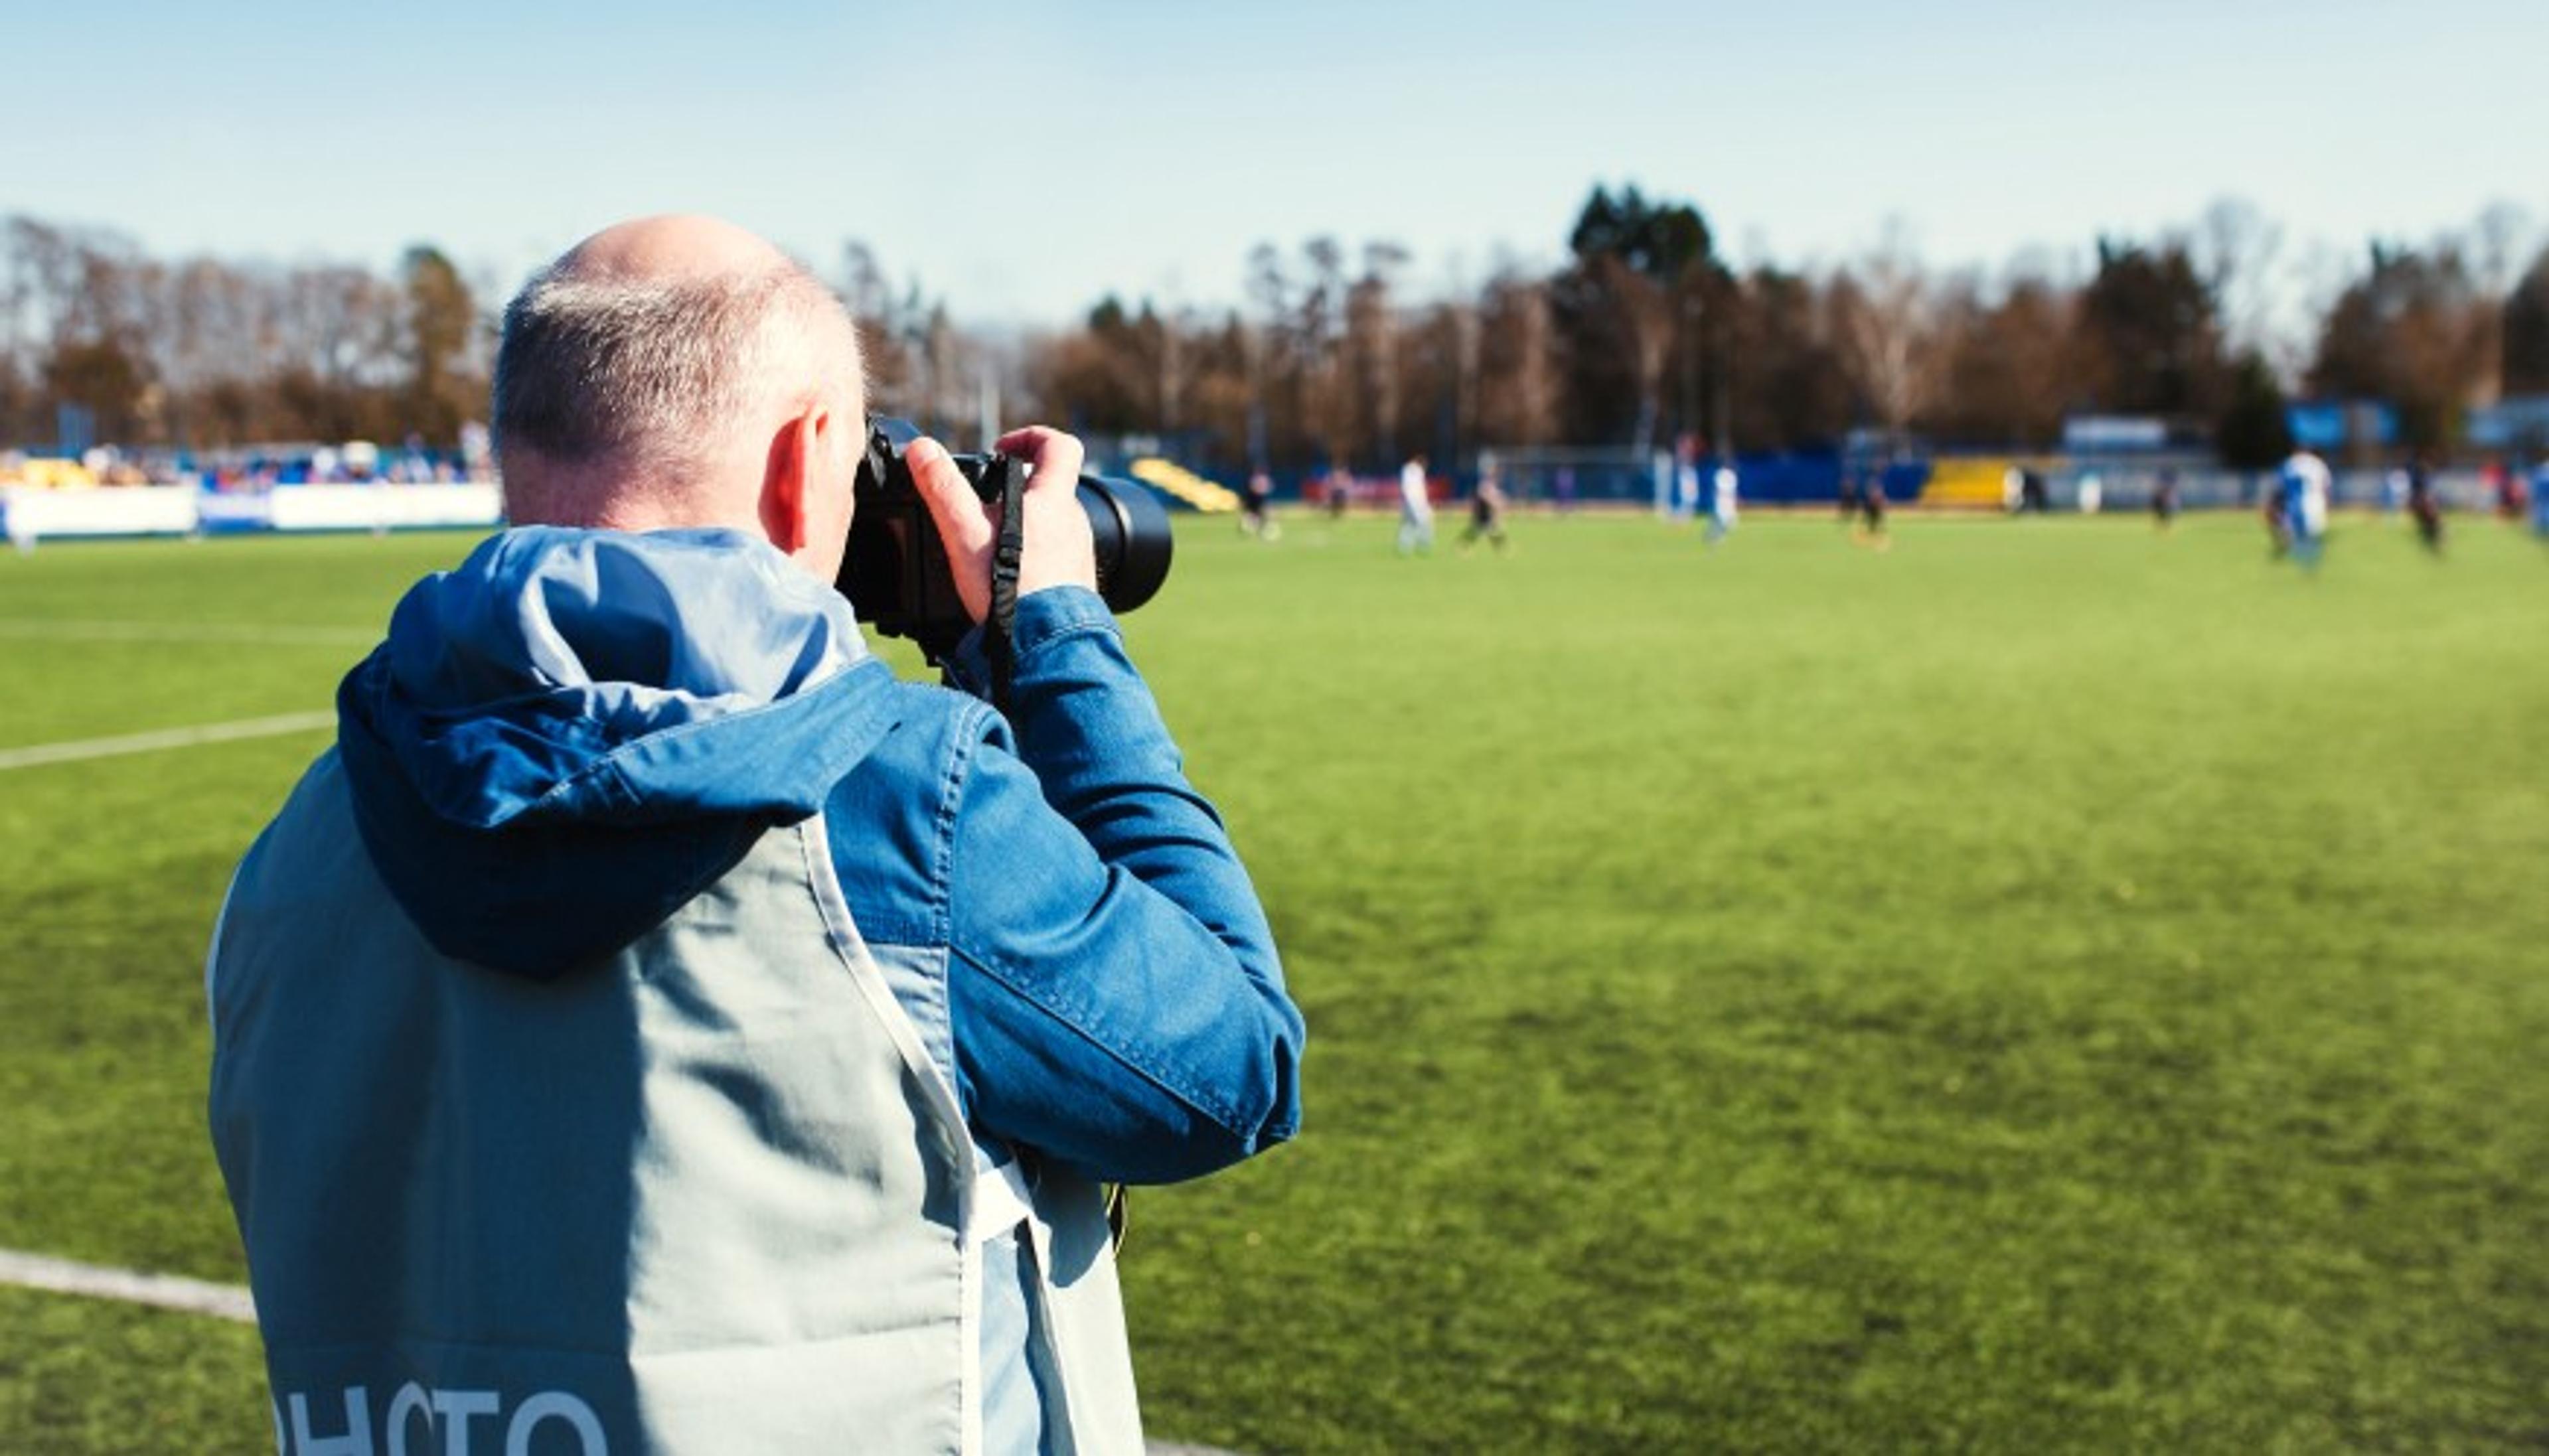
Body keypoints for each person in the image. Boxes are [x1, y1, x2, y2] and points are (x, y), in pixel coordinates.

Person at [205, 216, 1304, 1456]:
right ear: (803, 460)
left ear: (517, 451)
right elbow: (1233, 1061)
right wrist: (1051, 634)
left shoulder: (303, 837)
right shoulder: (901, 804)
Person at [2278, 444, 2332, 568]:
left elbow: (2282, 484)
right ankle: (2309, 560)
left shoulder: (2292, 463)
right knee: (2311, 533)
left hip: (2297, 501)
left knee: (2296, 531)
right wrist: (2327, 504)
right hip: (2316, 501)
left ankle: (2301, 558)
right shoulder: (2318, 464)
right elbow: (2327, 486)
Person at [1459, 459, 1509, 553]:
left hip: (1486, 511)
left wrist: (1499, 500)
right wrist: (1493, 502)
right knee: (1481, 530)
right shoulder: (1486, 483)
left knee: (1491, 530)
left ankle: (1501, 548)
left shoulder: (1491, 484)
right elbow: (1483, 495)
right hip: (1482, 511)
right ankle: (1462, 545)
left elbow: (1494, 495)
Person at [1397, 451, 1434, 554]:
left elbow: (1406, 487)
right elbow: (1419, 489)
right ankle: (1424, 545)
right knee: (1423, 523)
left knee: (1408, 525)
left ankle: (1404, 547)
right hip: (1416, 502)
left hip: (1409, 501)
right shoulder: (1417, 471)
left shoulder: (1407, 469)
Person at [2406, 454, 2444, 554]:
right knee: (2431, 522)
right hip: (2421, 500)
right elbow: (2423, 492)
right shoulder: (2420, 477)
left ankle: (2433, 541)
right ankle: (2435, 541)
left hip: (2420, 501)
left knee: (2429, 523)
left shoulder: (2418, 477)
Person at [1704, 459, 1738, 546]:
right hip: (1722, 499)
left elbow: (1732, 490)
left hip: (1728, 499)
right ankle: (1714, 536)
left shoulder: (1731, 475)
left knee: (1729, 520)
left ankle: (1716, 535)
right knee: (1722, 518)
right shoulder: (1721, 474)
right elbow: (1718, 488)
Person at [2151, 467, 2180, 531]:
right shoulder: (2161, 491)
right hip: (2161, 505)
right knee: (2161, 514)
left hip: (2164, 505)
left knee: (2165, 514)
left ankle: (2165, 525)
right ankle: (2163, 525)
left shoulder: (2166, 490)